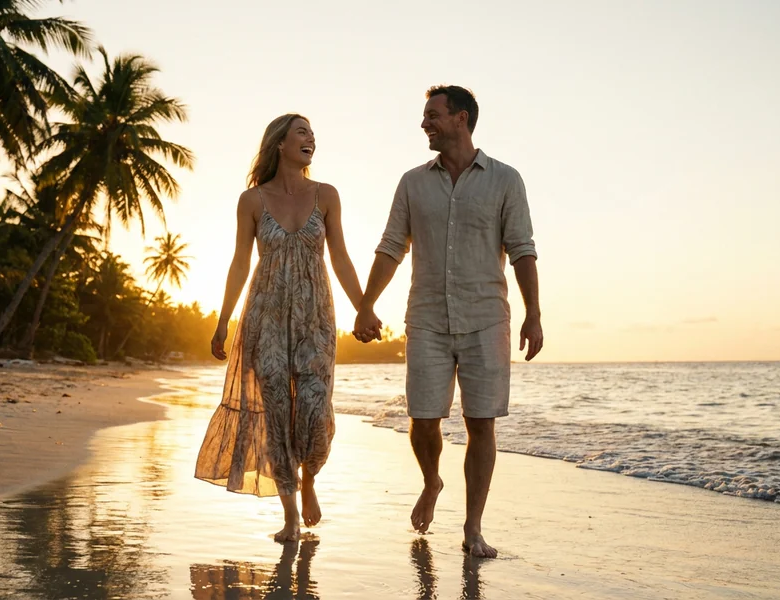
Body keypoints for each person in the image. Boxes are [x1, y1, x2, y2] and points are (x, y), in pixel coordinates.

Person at [354, 86, 544, 558]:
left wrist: (534, 313)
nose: (425, 123)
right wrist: (365, 303)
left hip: (485, 319)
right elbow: (391, 246)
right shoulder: (412, 183)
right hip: (427, 319)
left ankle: (473, 526)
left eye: (433, 115)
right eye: (425, 116)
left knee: (481, 424)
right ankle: (431, 480)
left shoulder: (506, 180)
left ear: (461, 118)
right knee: (423, 419)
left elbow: (522, 249)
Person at [196, 114, 365, 542]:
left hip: (316, 317)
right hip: (264, 315)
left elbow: (341, 257)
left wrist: (363, 307)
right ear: (280, 144)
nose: (311, 138)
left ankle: (309, 480)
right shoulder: (251, 200)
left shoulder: (326, 195)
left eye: (312, 133)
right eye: (302, 132)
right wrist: (223, 320)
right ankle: (290, 514)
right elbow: (239, 262)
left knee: (314, 408)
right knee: (275, 413)